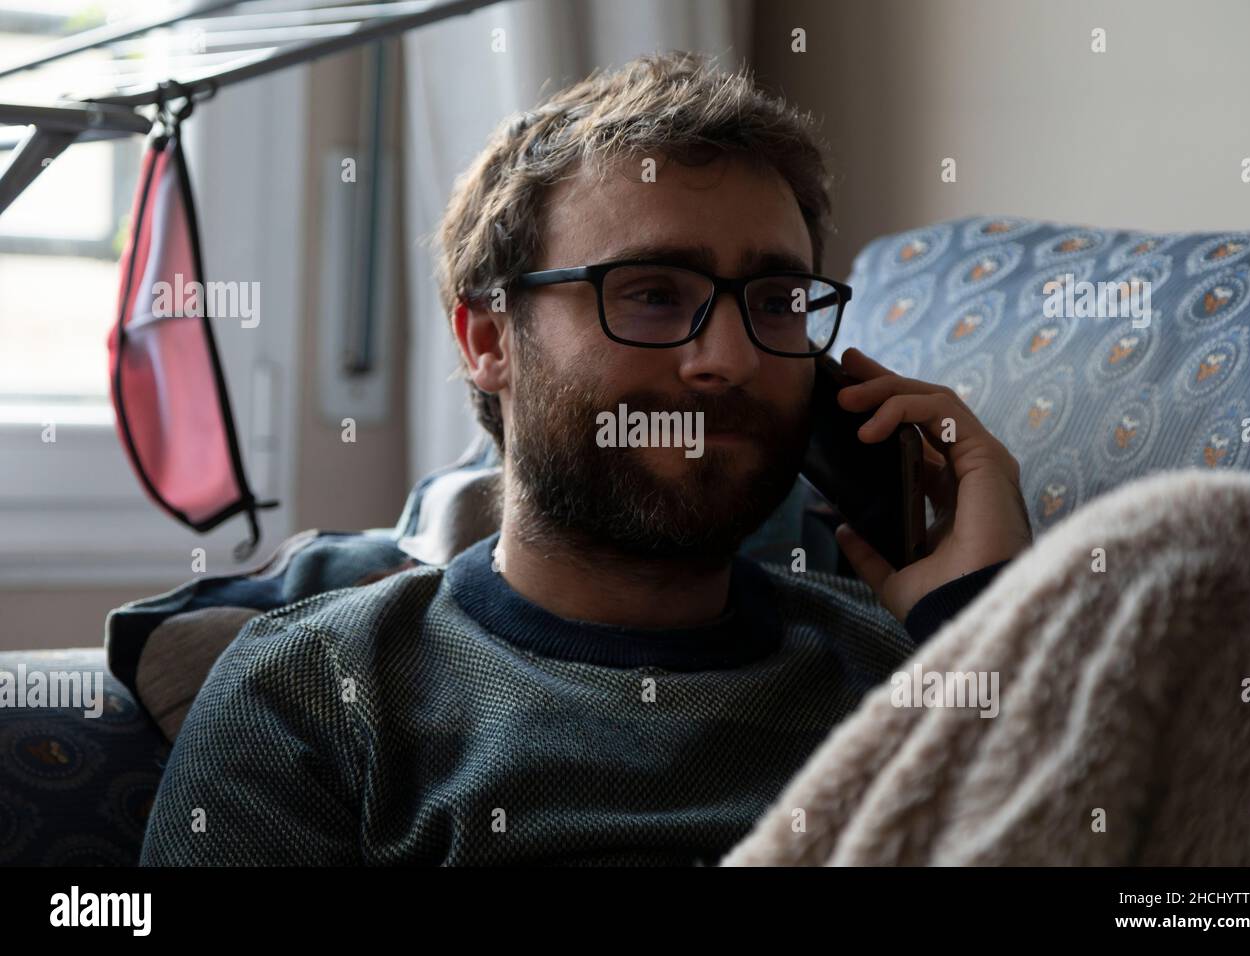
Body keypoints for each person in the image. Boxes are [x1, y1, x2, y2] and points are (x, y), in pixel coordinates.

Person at [140, 50, 1032, 866]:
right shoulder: (311, 697)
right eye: (649, 293)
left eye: (775, 301)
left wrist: (987, 624)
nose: (729, 358)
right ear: (489, 339)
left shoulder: (923, 667)